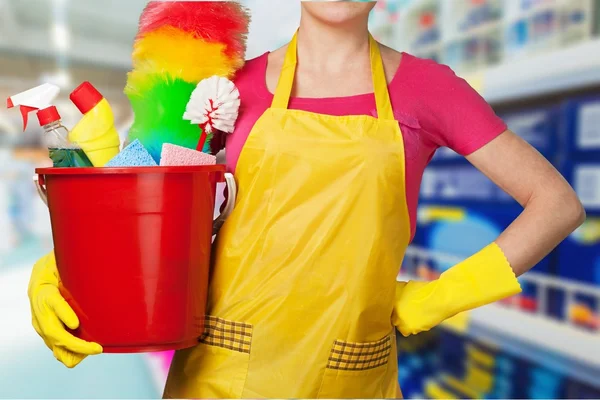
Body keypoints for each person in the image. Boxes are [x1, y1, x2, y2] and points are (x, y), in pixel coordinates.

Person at [28, 2, 585, 399]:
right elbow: (134, 204)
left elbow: (556, 203)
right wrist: (58, 272)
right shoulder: (222, 90)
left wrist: (439, 299)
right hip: (217, 379)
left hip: (350, 379)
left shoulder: (429, 90)